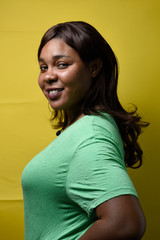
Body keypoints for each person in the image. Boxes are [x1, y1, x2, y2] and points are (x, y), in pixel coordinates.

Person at [21, 21, 149, 240]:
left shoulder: (91, 134)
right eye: (43, 67)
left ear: (93, 68)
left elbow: (126, 223)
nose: (48, 76)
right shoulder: (84, 128)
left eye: (61, 64)